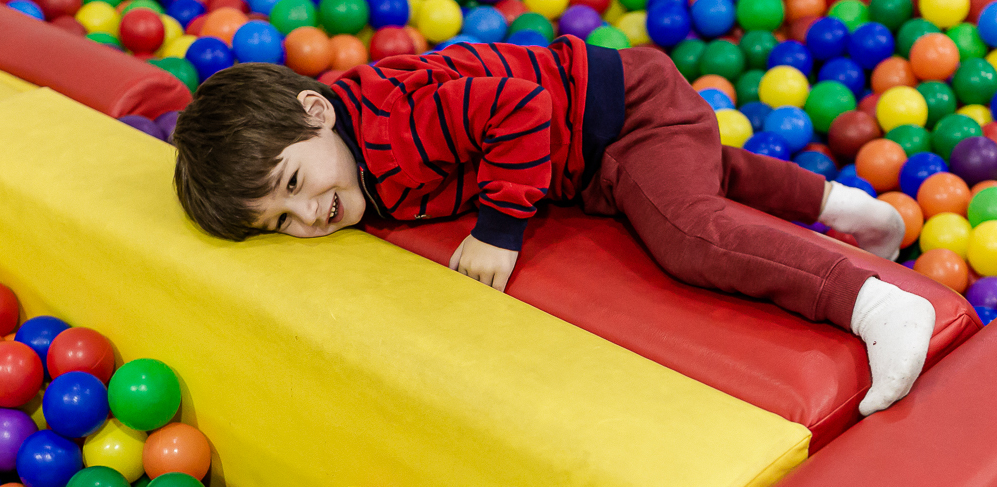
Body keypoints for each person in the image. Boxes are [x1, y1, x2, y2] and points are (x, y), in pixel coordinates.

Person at [172, 36, 936, 416]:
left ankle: (876, 305)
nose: (309, 216)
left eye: (295, 185)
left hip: (620, 119)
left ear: (317, 110)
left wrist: (500, 229)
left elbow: (520, 107)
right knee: (704, 175)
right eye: (280, 222)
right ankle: (844, 207)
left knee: (688, 233)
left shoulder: (399, 126)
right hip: (593, 151)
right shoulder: (344, 146)